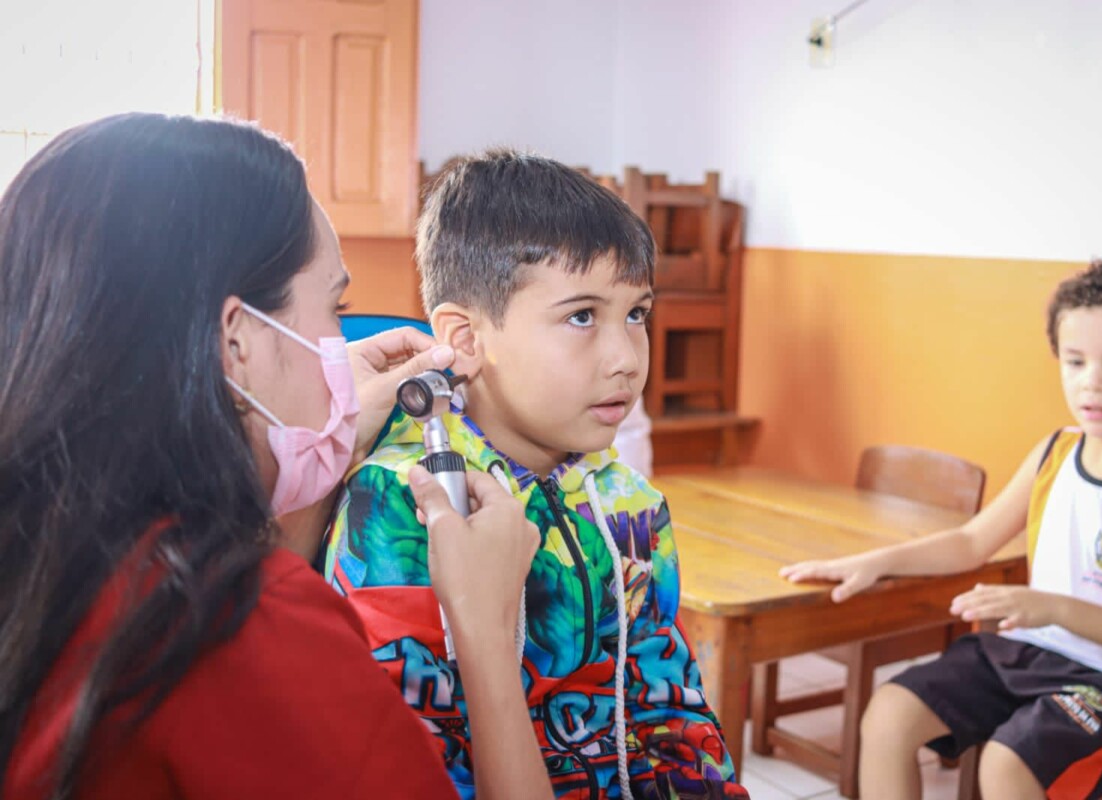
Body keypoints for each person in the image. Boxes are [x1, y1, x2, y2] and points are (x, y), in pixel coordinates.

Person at [0, 113, 551, 800]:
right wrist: (488, 630)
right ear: (238, 342)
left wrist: (298, 435)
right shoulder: (236, 623)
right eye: (335, 307)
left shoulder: (53, 551)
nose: (344, 343)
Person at [325, 149, 746, 799]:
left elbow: (669, 704)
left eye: (637, 314)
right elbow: (414, 757)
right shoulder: (404, 505)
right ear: (463, 339)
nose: (626, 359)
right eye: (582, 316)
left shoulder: (629, 501)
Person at [781, 259, 1102, 800]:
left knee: (1006, 765)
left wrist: (1050, 607)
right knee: (887, 715)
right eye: (1074, 361)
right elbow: (973, 540)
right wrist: (875, 561)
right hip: (1033, 648)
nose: (1091, 381)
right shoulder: (1056, 453)